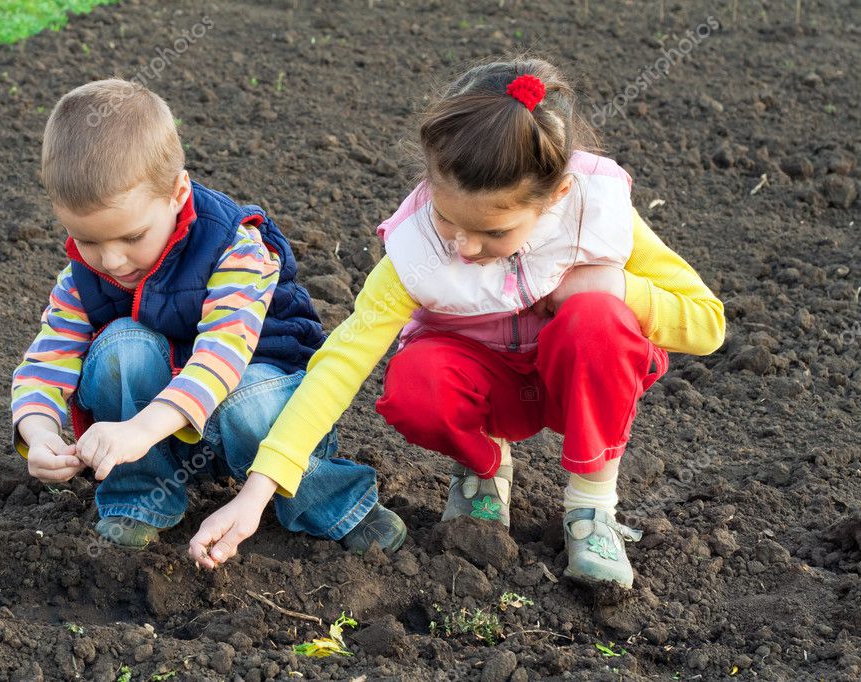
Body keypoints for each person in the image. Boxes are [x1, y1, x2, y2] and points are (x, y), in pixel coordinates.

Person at [188, 58, 725, 589]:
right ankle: (485, 469)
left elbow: (708, 326)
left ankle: (590, 509)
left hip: (578, 386)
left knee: (596, 318)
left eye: (493, 231)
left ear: (556, 196)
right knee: (415, 377)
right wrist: (257, 491)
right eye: (448, 218)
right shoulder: (417, 251)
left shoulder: (595, 215)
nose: (464, 246)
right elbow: (339, 363)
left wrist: (619, 288)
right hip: (488, 392)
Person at [10, 79, 406, 553]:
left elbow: (221, 357)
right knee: (120, 348)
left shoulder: (236, 247)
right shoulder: (83, 275)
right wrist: (37, 432)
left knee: (248, 403)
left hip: (258, 407)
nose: (111, 261)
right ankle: (140, 498)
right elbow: (47, 360)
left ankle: (334, 503)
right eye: (88, 240)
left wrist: (139, 428)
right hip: (165, 434)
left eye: (132, 237)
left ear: (178, 194)